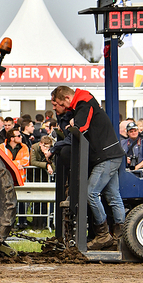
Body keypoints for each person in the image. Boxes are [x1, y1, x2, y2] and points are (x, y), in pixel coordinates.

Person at [51, 85, 125, 250]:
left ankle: (103, 235)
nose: (54, 108)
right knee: (113, 195)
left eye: (56, 104)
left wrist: (72, 124)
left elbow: (81, 127)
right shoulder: (83, 101)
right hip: (110, 154)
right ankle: (121, 237)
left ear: (67, 99)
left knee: (90, 192)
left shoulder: (84, 102)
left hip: (106, 156)